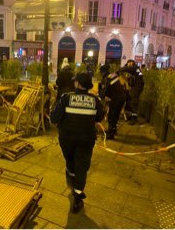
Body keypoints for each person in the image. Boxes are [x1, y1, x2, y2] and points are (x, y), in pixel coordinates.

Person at [50, 72, 104, 214]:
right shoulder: (95, 100)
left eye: (75, 82)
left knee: (71, 162)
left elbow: (54, 118)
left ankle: (72, 179)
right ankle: (78, 195)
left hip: (67, 139)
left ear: (78, 84)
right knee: (82, 166)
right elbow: (100, 116)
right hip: (86, 140)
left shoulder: (66, 98)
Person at [98, 64, 127, 139]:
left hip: (117, 98)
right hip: (120, 97)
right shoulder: (112, 75)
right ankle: (113, 130)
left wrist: (100, 97)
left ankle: (111, 133)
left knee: (112, 115)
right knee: (115, 115)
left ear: (103, 72)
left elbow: (105, 91)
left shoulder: (107, 79)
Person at [120, 59, 144, 125]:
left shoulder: (136, 69)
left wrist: (121, 70)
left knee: (133, 103)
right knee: (130, 102)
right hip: (134, 88)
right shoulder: (134, 71)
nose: (128, 65)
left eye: (128, 64)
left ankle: (134, 119)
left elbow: (130, 69)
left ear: (131, 63)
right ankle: (131, 116)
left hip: (137, 88)